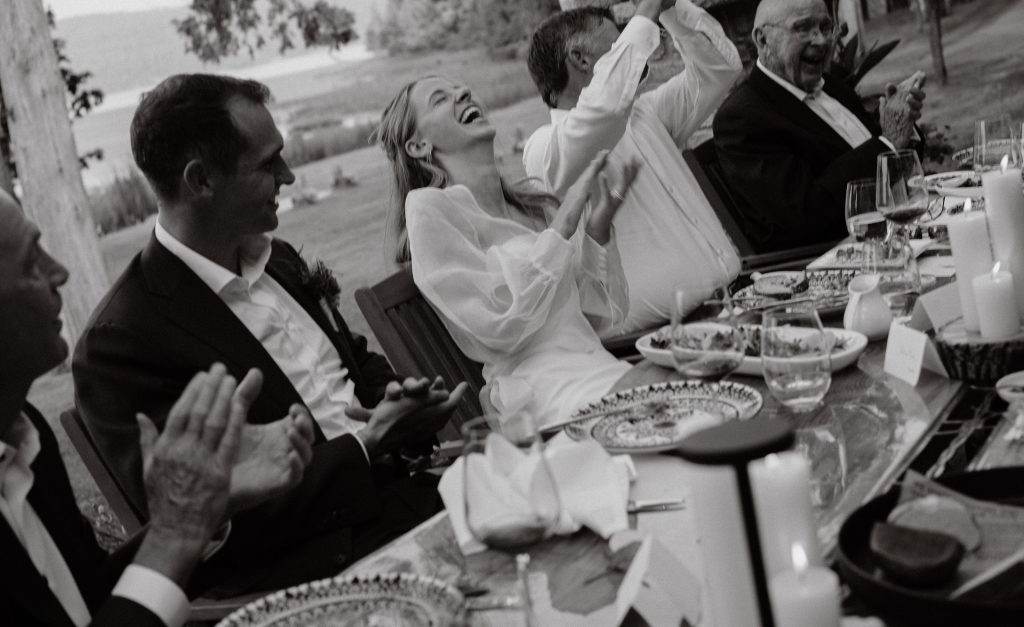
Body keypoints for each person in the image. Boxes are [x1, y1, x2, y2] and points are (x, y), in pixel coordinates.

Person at [72, 74, 465, 593]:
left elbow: (352, 361)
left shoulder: (277, 259)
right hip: (321, 568)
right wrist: (367, 445)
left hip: (416, 498)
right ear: (201, 180)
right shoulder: (122, 340)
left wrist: (401, 402)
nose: (289, 176)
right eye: (267, 163)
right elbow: (200, 522)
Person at [0, 189, 315, 626]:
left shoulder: (21, 432)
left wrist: (203, 509)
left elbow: (90, 599)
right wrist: (176, 531)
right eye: (31, 262)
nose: (61, 272)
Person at [377, 75, 637, 425]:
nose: (464, 91)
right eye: (440, 99)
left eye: (460, 88)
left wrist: (598, 227)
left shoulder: (533, 207)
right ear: (418, 146)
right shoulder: (430, 210)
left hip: (599, 370)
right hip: (541, 396)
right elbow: (499, 328)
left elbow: (597, 319)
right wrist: (563, 225)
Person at [523, 0, 743, 332]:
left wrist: (668, 1)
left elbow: (721, 68)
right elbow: (604, 109)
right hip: (653, 341)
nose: (636, 44)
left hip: (733, 309)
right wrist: (646, 4)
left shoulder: (645, 113)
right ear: (580, 59)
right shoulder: (545, 149)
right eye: (619, 40)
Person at [713, 0, 927, 252]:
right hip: (832, 258)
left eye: (825, 28)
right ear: (763, 40)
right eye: (803, 28)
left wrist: (903, 124)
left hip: (899, 233)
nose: (821, 40)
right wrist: (889, 142)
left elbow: (880, 151)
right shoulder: (742, 118)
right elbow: (807, 212)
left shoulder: (831, 85)